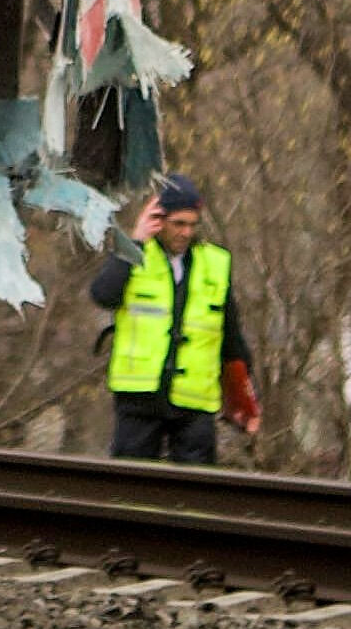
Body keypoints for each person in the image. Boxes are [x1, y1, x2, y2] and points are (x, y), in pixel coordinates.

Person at [89, 174, 253, 463]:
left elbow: (231, 336)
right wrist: (135, 241)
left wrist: (241, 393)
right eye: (178, 223)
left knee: (194, 495)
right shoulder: (134, 255)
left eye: (192, 224)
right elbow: (103, 295)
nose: (186, 232)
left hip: (194, 400)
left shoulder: (213, 264)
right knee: (130, 492)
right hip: (139, 396)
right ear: (158, 220)